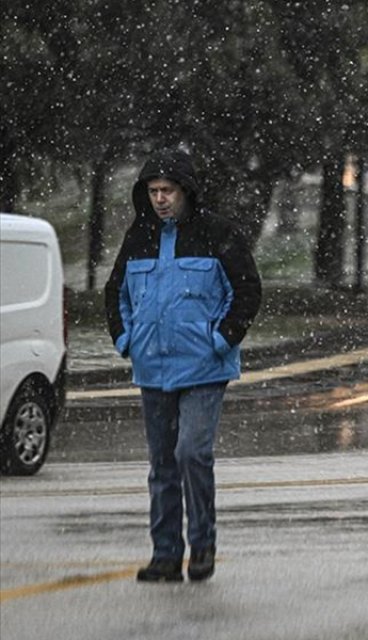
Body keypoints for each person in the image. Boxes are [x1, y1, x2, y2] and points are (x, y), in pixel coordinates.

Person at [104, 149, 262, 582]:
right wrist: (125, 340)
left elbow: (246, 290)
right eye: (153, 191)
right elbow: (115, 293)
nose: (160, 199)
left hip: (204, 369)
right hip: (152, 369)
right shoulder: (138, 237)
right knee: (162, 465)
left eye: (167, 190)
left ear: (186, 191)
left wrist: (220, 340)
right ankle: (166, 555)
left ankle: (203, 546)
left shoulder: (218, 233)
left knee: (191, 453)